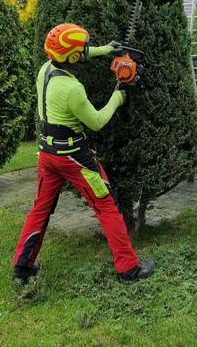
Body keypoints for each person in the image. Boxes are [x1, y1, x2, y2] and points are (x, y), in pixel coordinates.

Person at [12, 22, 155, 286]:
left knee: (40, 209)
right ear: (72, 56)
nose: (85, 52)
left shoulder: (46, 70)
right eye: (82, 50)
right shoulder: (72, 89)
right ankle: (128, 268)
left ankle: (22, 267)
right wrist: (118, 96)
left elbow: (81, 54)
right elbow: (97, 121)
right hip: (74, 158)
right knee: (106, 205)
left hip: (47, 154)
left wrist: (107, 50)